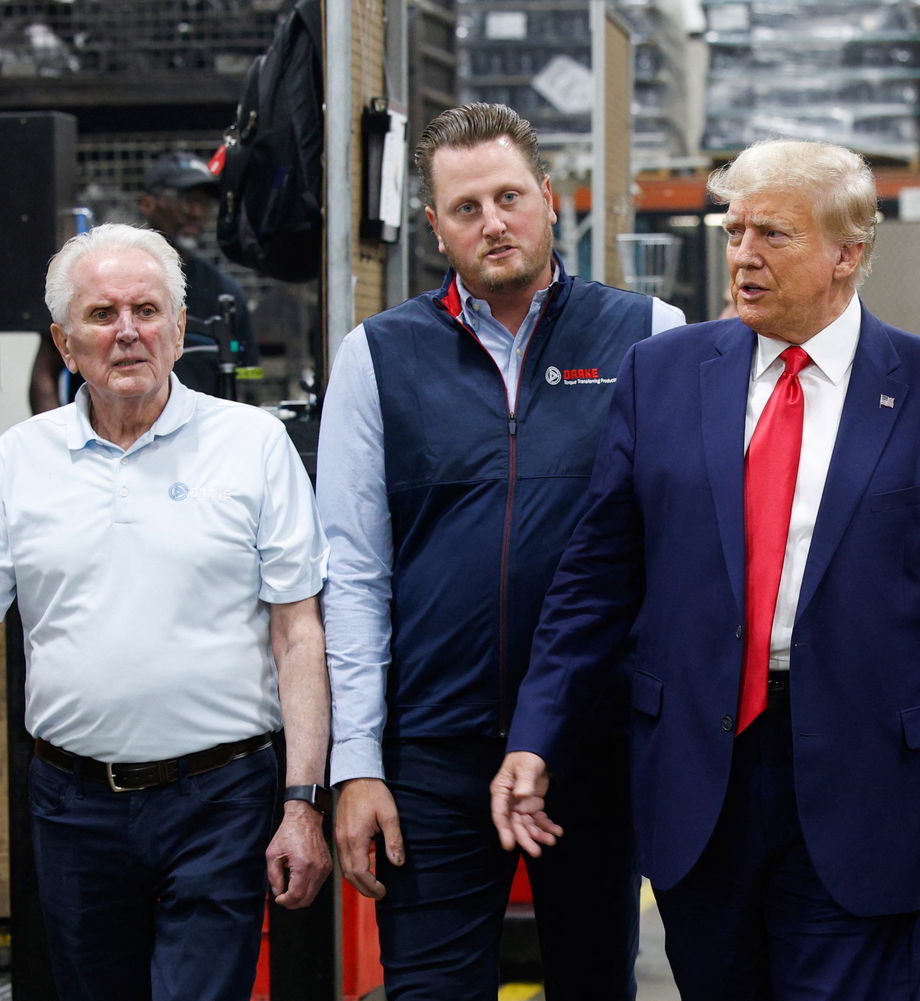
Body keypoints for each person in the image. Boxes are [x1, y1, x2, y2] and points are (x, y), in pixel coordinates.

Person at [491, 138, 920, 1000]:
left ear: (847, 254)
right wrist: (535, 734)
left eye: (773, 234)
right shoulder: (661, 376)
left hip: (869, 786)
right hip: (700, 779)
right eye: (734, 231)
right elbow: (592, 583)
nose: (743, 255)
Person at [316, 102, 685, 1000]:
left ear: (549, 199)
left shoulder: (650, 335)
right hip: (433, 750)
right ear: (434, 225)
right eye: (467, 207)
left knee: (597, 982)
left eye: (510, 197)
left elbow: (685, 555)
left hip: (592, 743)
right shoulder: (377, 356)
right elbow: (353, 573)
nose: (494, 222)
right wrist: (356, 763)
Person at [0, 223, 331, 1001]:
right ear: (64, 342)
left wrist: (302, 800)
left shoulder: (252, 445)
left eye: (147, 310)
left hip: (220, 798)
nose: (128, 331)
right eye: (102, 314)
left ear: (179, 328)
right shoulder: (21, 458)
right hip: (73, 805)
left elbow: (298, 631)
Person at [30, 151, 258, 412]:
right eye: (183, 200)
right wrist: (63, 433)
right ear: (147, 204)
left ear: (180, 323)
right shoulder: (87, 282)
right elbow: (44, 375)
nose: (195, 212)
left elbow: (247, 378)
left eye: (203, 203)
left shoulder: (225, 293)